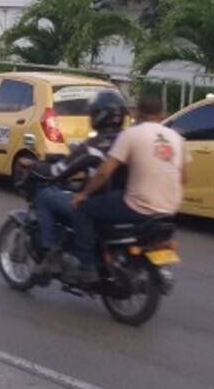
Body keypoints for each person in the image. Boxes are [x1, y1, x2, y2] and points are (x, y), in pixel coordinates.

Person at [68, 94, 188, 285]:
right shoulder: (176, 138)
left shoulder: (131, 134)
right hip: (170, 208)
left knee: (83, 209)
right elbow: (184, 178)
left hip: (139, 206)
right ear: (162, 113)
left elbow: (104, 173)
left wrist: (83, 194)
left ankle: (87, 266)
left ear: (137, 112)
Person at [27, 89, 129, 275]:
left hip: (96, 203)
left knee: (44, 196)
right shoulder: (129, 139)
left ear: (99, 116)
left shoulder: (93, 147)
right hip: (123, 202)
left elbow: (55, 172)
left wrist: (32, 165)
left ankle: (51, 253)